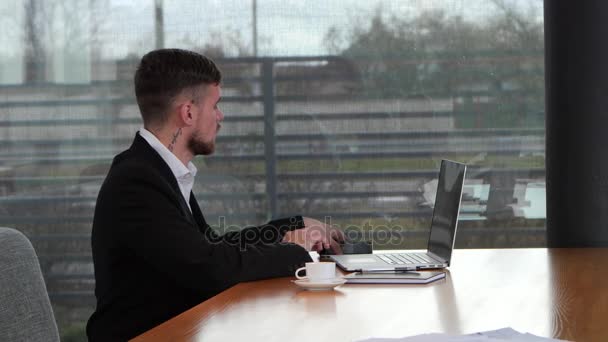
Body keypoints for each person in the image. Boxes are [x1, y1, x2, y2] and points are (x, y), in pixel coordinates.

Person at [86, 48, 344, 341]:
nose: (220, 117)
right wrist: (293, 249)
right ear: (188, 112)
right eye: (215, 105)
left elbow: (208, 247)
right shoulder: (136, 182)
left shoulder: (157, 171)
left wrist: (293, 227)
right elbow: (209, 268)